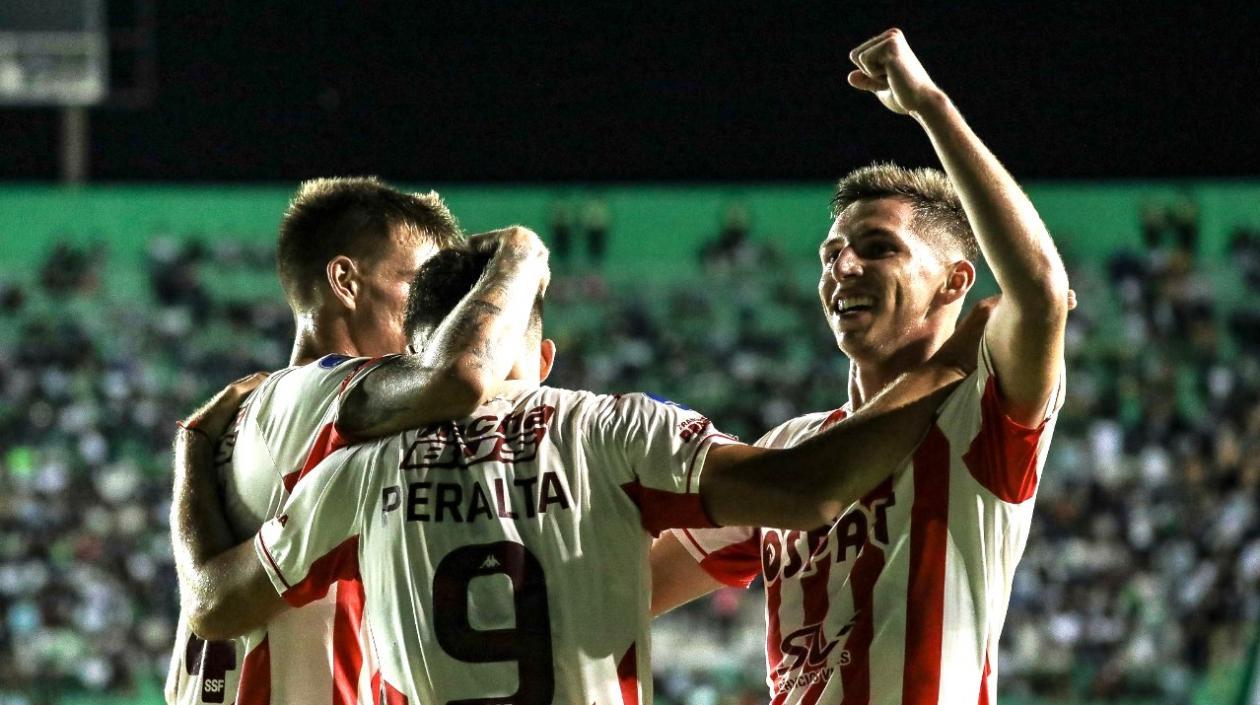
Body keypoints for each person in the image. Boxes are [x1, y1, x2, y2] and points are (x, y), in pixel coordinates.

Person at [177, 242, 994, 705]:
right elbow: (809, 489)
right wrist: (953, 367)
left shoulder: (353, 474)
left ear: (413, 358)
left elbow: (215, 605)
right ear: (541, 353)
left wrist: (189, 455)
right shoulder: (610, 426)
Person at [650, 29, 1070, 704]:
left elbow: (1043, 292)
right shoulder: (790, 449)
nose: (842, 267)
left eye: (878, 248)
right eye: (830, 253)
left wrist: (930, 106)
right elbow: (634, 588)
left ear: (956, 280)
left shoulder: (980, 415)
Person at [166, 176, 552, 705]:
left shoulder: (248, 417)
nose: (435, 315)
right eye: (420, 286)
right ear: (346, 281)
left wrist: (188, 449)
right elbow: (460, 375)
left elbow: (208, 598)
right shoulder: (322, 392)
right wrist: (523, 257)